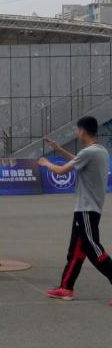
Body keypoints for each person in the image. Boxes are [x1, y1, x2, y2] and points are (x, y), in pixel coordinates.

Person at [39, 116, 112, 303]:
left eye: (77, 130)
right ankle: (66, 288)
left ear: (83, 131)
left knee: (94, 249)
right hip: (86, 209)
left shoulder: (89, 152)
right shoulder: (99, 151)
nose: (76, 133)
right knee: (76, 251)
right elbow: (76, 161)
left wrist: (46, 163)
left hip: (87, 209)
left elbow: (61, 170)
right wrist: (58, 149)